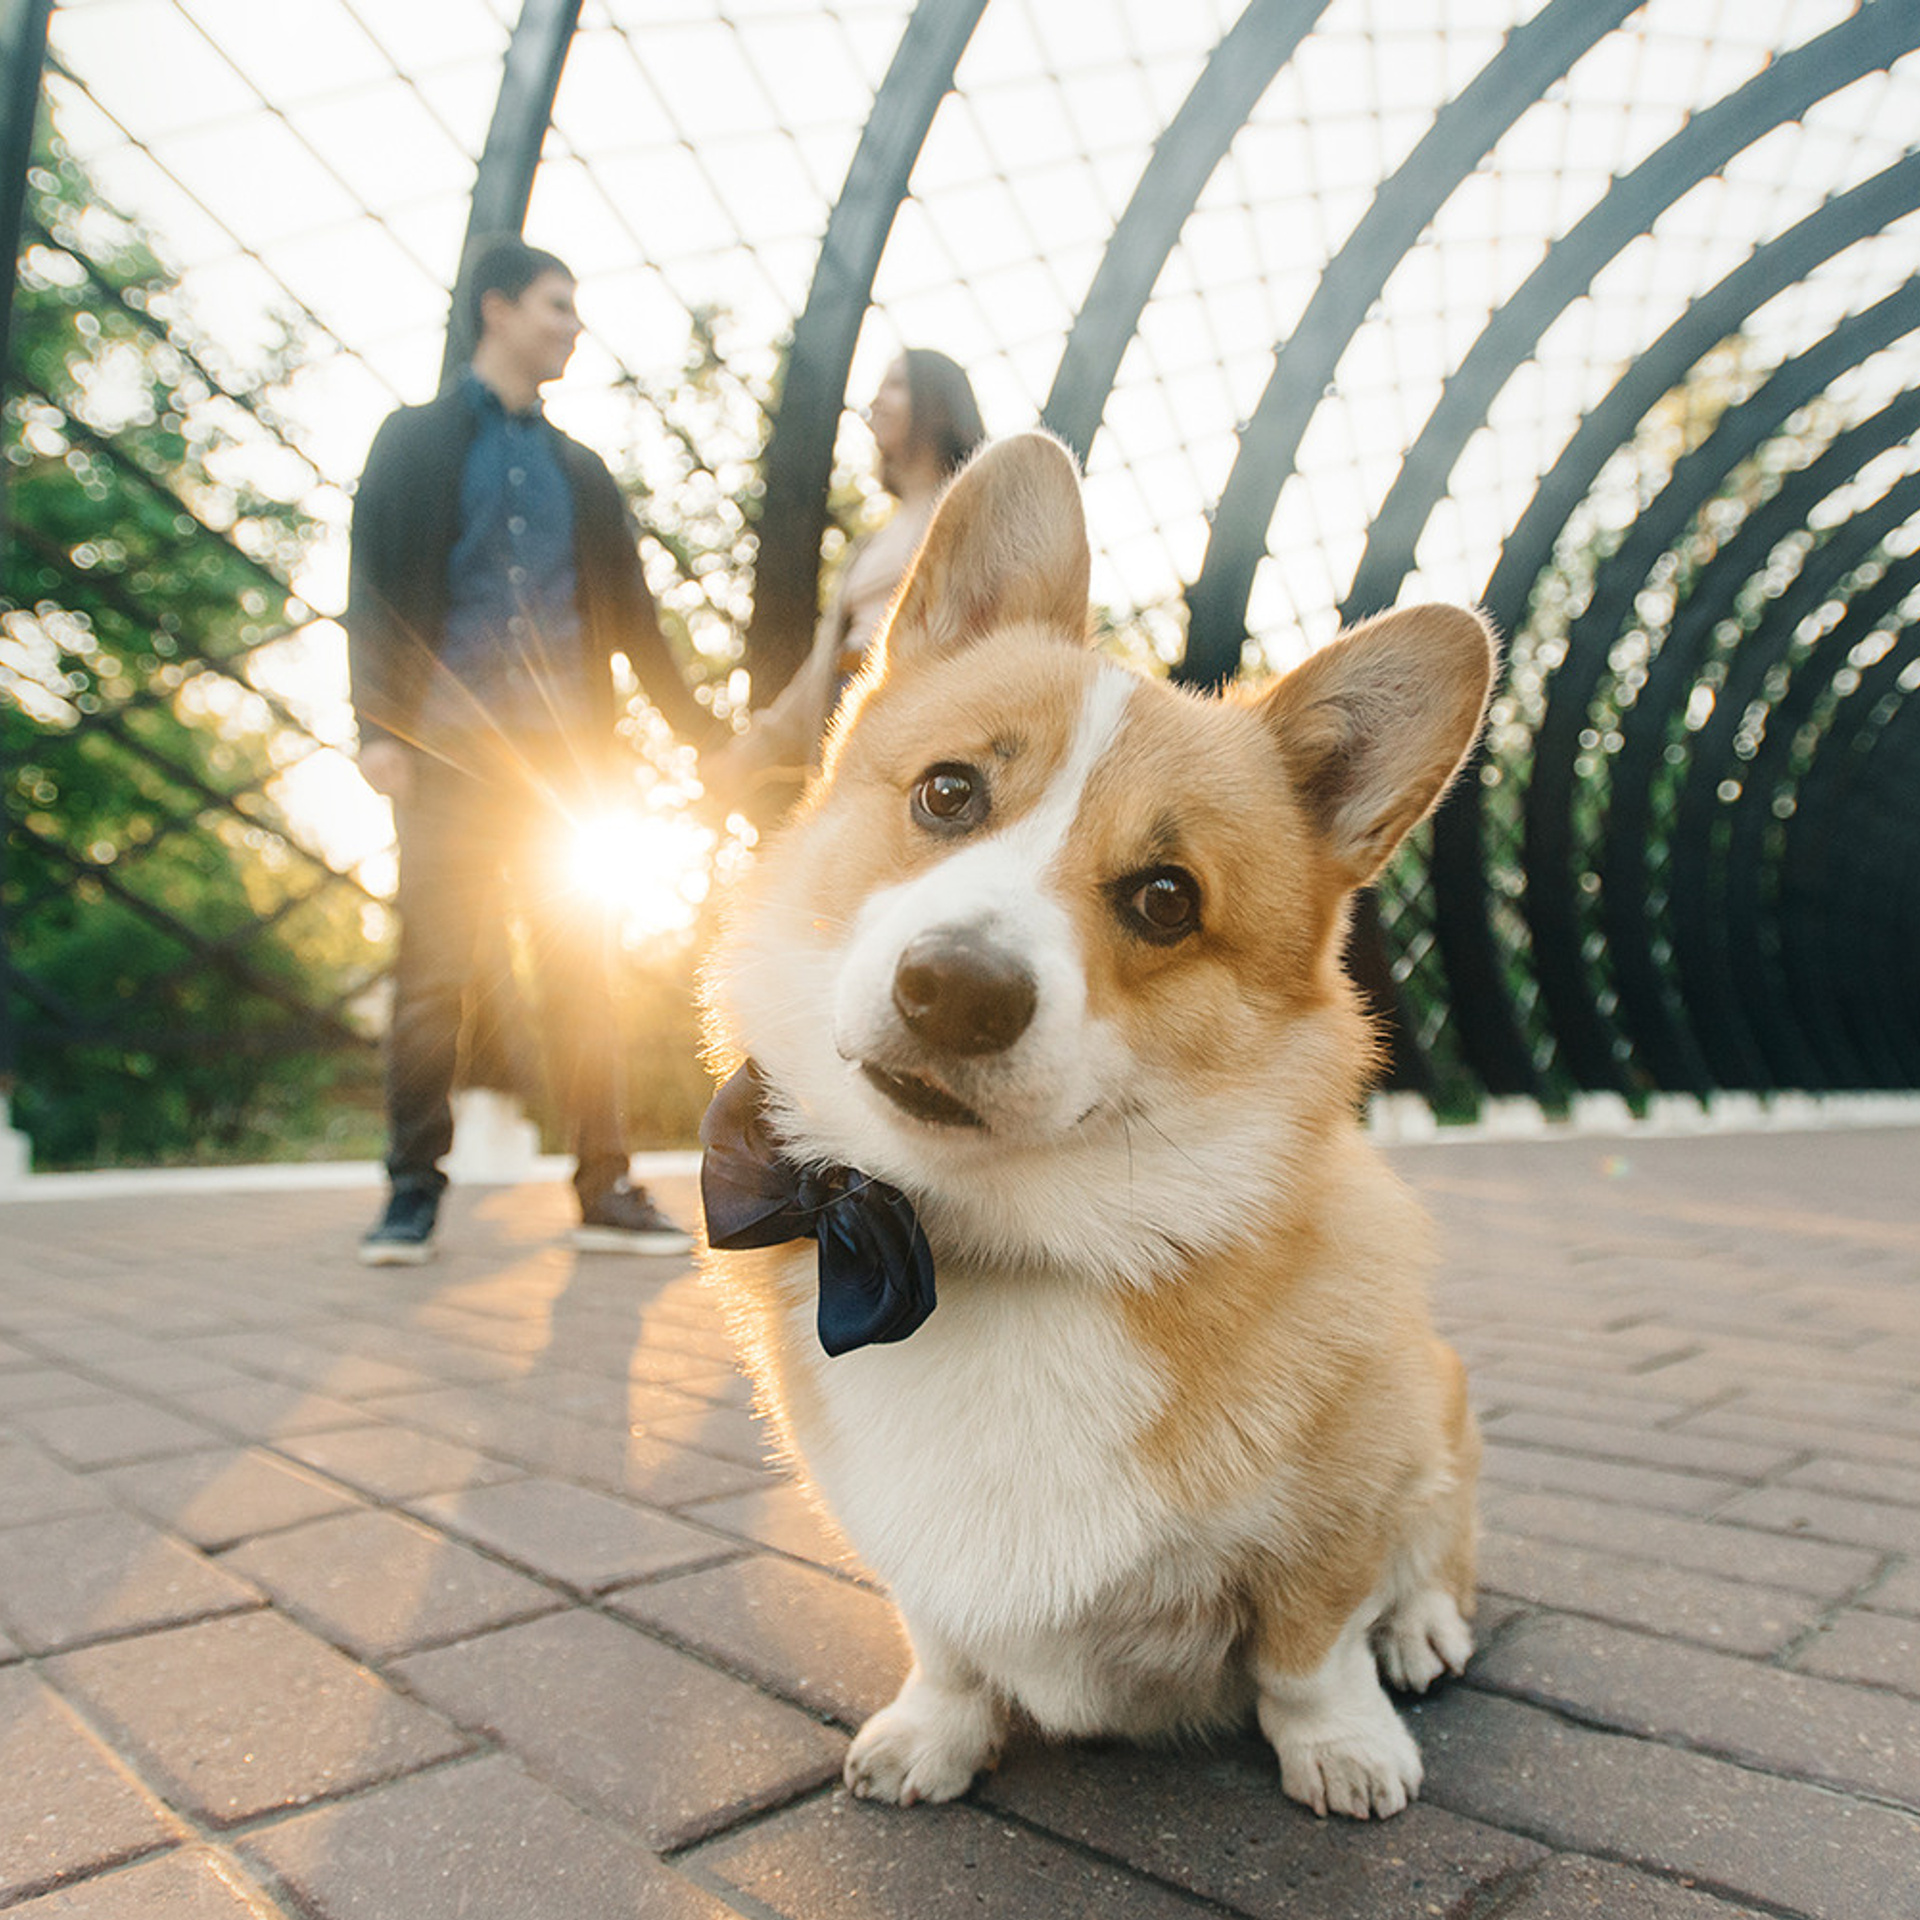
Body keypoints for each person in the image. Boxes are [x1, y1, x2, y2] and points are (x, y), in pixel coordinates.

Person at [347, 234, 707, 1266]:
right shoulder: (411, 442)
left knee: (583, 980)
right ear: (497, 309)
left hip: (568, 781)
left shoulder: (582, 473)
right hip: (447, 763)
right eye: (557, 305)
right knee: (432, 980)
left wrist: (707, 747)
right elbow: (372, 591)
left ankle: (606, 1186)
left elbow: (638, 626)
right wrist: (377, 731)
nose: (573, 325)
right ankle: (411, 1192)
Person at [703, 349, 984, 809]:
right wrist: (750, 755)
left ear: (938, 402)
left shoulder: (976, 522)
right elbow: (821, 670)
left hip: (921, 723)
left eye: (897, 383)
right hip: (847, 713)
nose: (877, 399)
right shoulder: (871, 545)